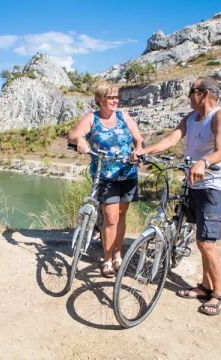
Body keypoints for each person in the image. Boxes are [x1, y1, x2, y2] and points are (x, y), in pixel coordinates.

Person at [140, 76, 221, 316]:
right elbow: (173, 138)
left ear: (203, 93)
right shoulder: (191, 118)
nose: (188, 96)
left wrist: (203, 162)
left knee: (206, 242)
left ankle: (219, 293)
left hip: (214, 185)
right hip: (194, 184)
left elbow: (220, 151)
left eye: (191, 91)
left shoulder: (220, 116)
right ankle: (204, 286)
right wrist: (145, 151)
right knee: (200, 238)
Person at [68, 81, 144, 278]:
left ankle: (118, 254)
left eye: (117, 96)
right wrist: (82, 141)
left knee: (121, 216)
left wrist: (139, 149)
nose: (115, 100)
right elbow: (73, 135)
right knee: (110, 218)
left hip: (128, 173)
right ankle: (107, 259)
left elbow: (138, 138)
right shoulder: (91, 118)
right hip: (105, 175)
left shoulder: (123, 116)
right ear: (100, 99)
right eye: (111, 97)